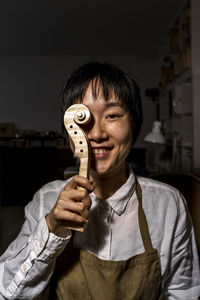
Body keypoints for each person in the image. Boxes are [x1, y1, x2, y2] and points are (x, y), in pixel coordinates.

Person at [0, 62, 199, 300]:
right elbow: (7, 293)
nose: (96, 134)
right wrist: (52, 229)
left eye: (112, 115)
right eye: (83, 119)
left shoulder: (169, 203)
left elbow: (182, 292)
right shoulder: (47, 199)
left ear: (133, 124)